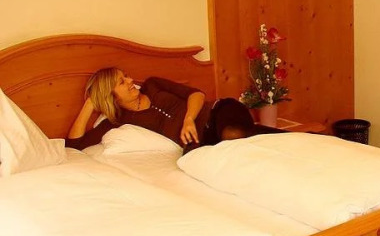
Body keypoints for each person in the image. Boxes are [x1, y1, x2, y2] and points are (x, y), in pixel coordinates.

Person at [66, 68, 279, 153]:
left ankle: (290, 138)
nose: (130, 80)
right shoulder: (118, 120)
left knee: (232, 134)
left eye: (126, 76)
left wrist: (188, 119)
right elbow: (74, 146)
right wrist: (90, 104)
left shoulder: (152, 85)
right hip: (201, 141)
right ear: (112, 96)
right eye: (122, 82)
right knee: (196, 161)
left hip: (219, 112)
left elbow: (196, 94)